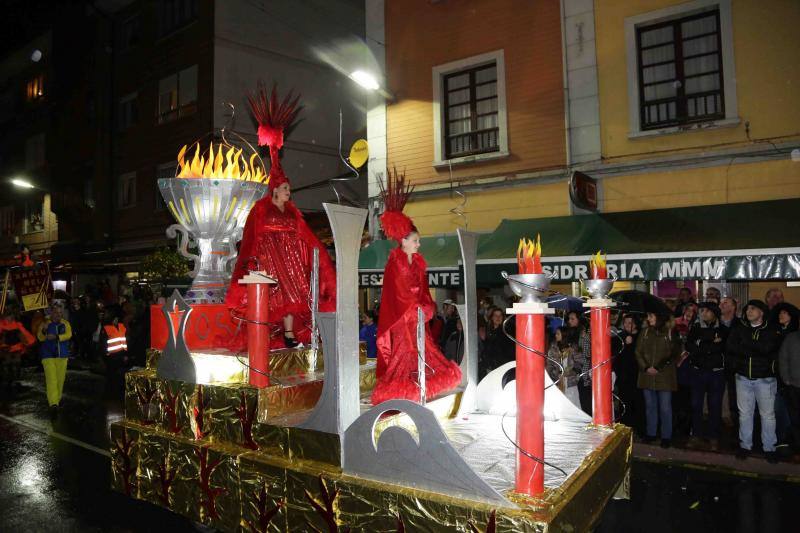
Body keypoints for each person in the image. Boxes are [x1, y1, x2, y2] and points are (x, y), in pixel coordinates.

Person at [227, 87, 336, 349]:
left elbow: (305, 235)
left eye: (289, 188)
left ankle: (289, 335)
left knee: (292, 298)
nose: (290, 192)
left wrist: (319, 256)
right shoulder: (262, 209)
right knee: (273, 300)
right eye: (286, 188)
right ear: (276, 190)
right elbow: (252, 237)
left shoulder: (292, 212)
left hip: (290, 263)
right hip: (269, 262)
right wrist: (254, 263)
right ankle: (272, 335)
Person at [371, 169, 461, 405]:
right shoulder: (394, 262)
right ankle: (400, 390)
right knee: (406, 353)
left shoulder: (418, 263)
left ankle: (418, 387)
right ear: (403, 241)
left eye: (418, 240)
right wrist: (413, 307)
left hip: (417, 315)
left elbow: (423, 289)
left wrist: (427, 305)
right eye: (415, 240)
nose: (419, 244)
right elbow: (396, 293)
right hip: (402, 318)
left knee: (424, 350)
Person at [727, 299, 781, 463]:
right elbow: (730, 347)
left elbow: (767, 349)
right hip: (742, 377)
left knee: (768, 415)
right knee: (744, 414)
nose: (749, 311)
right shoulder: (739, 329)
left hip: (765, 379)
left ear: (762, 312)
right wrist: (752, 348)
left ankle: (769, 448)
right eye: (747, 309)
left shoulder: (771, 330)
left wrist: (745, 345)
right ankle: (745, 445)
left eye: (753, 309)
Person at [685, 302, 728, 451]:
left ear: (714, 313)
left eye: (707, 311)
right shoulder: (695, 328)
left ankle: (713, 437)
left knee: (714, 406)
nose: (703, 313)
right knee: (695, 404)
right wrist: (709, 344)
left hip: (716, 373)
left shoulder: (723, 329)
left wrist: (702, 345)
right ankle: (696, 434)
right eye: (702, 311)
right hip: (698, 371)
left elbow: (721, 348)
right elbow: (689, 347)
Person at [636, 311, 682, 448]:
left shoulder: (670, 332)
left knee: (665, 408)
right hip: (647, 375)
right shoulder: (644, 332)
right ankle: (651, 434)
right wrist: (645, 367)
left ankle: (666, 436)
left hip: (665, 376)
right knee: (650, 407)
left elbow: (675, 353)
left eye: (651, 315)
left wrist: (658, 367)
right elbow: (638, 351)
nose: (648, 318)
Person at [37, 306, 72, 417]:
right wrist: (44, 330)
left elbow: (68, 335)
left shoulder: (65, 323)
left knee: (60, 379)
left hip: (62, 355)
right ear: (51, 313)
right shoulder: (45, 323)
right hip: (48, 355)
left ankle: (57, 399)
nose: (59, 315)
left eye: (60, 313)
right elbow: (40, 337)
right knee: (51, 379)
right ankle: (53, 404)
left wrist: (57, 337)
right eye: (56, 312)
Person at [613, 314, 643, 435]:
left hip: (637, 374)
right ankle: (625, 426)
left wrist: (632, 343)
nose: (627, 325)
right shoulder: (620, 336)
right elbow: (616, 354)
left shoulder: (640, 336)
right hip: (624, 375)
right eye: (625, 323)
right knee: (624, 401)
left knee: (637, 401)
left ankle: (638, 427)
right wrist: (625, 344)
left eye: (630, 323)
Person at [0, 307, 35, 390]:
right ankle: (8, 381)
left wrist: (28, 342)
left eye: (11, 316)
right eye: (8, 316)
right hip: (5, 348)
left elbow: (24, 334)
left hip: (16, 347)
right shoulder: (1, 325)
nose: (10, 318)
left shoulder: (17, 325)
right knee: (7, 363)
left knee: (16, 362)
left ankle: (14, 380)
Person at [566, 310, 593, 416]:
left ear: (579, 320)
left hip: (585, 373)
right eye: (569, 319)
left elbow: (587, 355)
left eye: (572, 319)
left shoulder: (584, 333)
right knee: (582, 401)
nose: (569, 321)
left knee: (587, 401)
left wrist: (575, 352)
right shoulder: (574, 333)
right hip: (578, 372)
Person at [779, 327, 800, 456]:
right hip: (793, 385)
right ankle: (797, 446)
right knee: (795, 417)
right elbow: (783, 358)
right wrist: (785, 378)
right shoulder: (791, 337)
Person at [480, 307, 515, 379]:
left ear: (503, 318)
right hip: (490, 367)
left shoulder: (506, 332)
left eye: (500, 315)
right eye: (495, 315)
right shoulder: (489, 331)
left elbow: (508, 353)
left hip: (501, 368)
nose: (498, 317)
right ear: (492, 318)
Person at [548, 326, 579, 406]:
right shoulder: (553, 348)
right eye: (556, 334)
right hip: (557, 382)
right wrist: (556, 375)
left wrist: (571, 372)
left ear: (564, 335)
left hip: (570, 383)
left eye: (558, 334)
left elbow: (579, 364)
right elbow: (550, 366)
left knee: (572, 405)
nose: (556, 335)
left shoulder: (572, 348)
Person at [101, 310, 129, 390]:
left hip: (120, 354)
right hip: (111, 355)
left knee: (119, 374)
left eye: (117, 319)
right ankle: (110, 389)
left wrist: (125, 353)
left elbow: (124, 340)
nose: (116, 321)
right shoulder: (106, 328)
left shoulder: (122, 327)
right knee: (111, 373)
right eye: (114, 319)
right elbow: (103, 342)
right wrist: (106, 353)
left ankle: (116, 388)